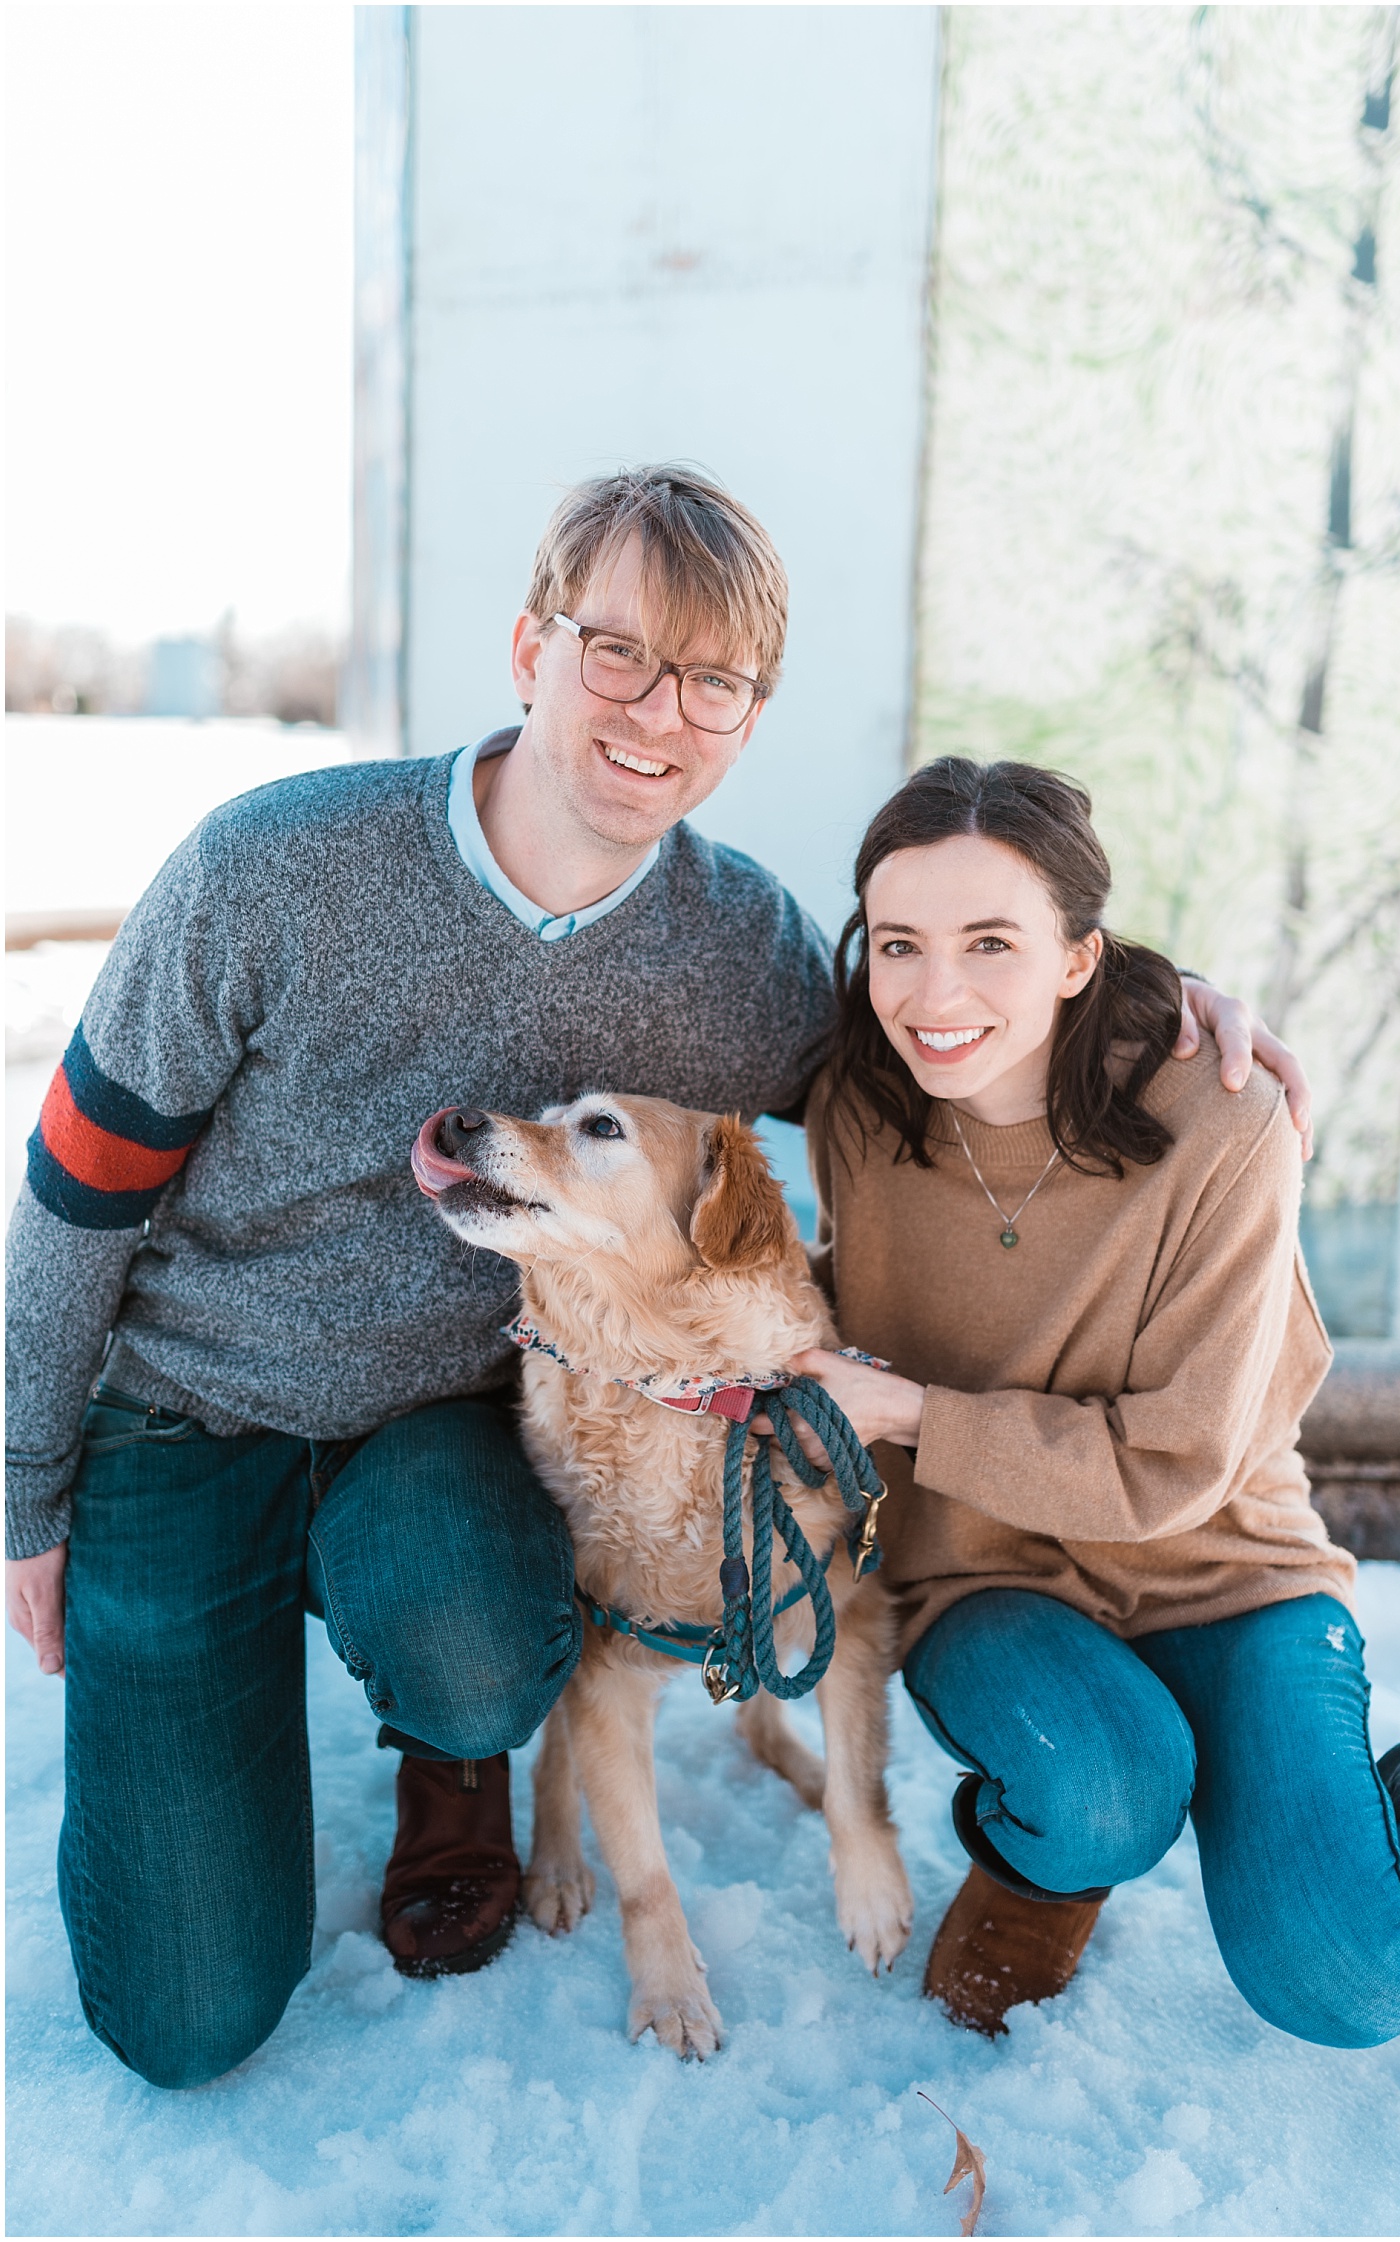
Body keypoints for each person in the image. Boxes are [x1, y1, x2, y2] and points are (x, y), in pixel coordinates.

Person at [6, 467, 1312, 2091]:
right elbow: (75, 1189)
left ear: (749, 718)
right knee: (184, 2019)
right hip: (187, 1413)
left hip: (437, 1429)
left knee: (490, 1641)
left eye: (713, 680)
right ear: (528, 647)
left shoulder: (738, 947)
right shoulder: (271, 870)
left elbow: (956, 1033)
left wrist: (1151, 1003)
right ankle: (222, 1709)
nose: (656, 712)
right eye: (617, 651)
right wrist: (33, 1489)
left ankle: (456, 1746)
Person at [787, 755, 1400, 2050]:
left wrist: (910, 1414)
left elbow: (1173, 1466)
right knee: (1103, 1780)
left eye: (992, 941)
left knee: (1347, 1976)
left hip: (1221, 1565)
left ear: (1076, 957)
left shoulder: (1226, 1118)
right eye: (900, 943)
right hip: (985, 1572)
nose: (935, 995)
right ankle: (1050, 1863)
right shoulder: (851, 1098)